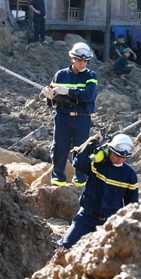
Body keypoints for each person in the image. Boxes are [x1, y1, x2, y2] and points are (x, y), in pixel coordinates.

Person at [58, 134, 139, 249]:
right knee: (66, 246)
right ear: (110, 149)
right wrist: (91, 145)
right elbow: (78, 163)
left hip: (110, 224)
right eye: (117, 155)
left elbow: (133, 203)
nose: (120, 159)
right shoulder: (97, 163)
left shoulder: (129, 175)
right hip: (86, 217)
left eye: (124, 157)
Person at [44, 42, 98, 186]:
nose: (82, 64)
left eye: (85, 61)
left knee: (81, 149)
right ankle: (58, 179)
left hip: (82, 118)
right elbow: (51, 102)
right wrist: (49, 96)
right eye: (79, 60)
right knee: (59, 148)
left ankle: (80, 180)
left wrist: (68, 91)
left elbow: (89, 95)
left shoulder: (91, 75)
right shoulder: (60, 75)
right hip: (63, 117)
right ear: (72, 58)